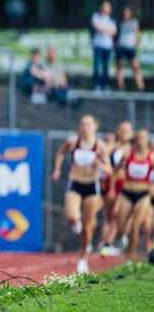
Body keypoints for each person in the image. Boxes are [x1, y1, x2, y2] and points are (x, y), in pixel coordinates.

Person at [52, 114, 111, 273]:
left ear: (95, 126)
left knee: (87, 227)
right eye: (82, 124)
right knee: (72, 216)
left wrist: (99, 164)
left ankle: (83, 259)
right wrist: (57, 170)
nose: (85, 127)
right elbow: (60, 153)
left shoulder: (100, 146)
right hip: (75, 182)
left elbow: (109, 170)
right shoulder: (73, 141)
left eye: (88, 124)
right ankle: (76, 224)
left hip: (91, 186)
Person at [111, 128, 154, 261]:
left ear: (147, 140)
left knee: (135, 226)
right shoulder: (128, 153)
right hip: (127, 193)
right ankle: (122, 237)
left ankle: (129, 257)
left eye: (143, 138)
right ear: (135, 139)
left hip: (143, 195)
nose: (140, 141)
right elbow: (115, 172)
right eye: (138, 138)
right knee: (121, 227)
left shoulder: (151, 157)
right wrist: (113, 189)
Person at [100, 121, 133, 256]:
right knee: (108, 215)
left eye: (126, 131)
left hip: (126, 185)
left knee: (116, 213)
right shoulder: (112, 148)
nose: (123, 133)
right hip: (111, 183)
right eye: (121, 130)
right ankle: (106, 243)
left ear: (131, 133)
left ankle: (119, 237)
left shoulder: (133, 149)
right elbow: (101, 158)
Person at [115, 6, 144, 91]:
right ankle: (121, 87)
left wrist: (136, 45)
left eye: (127, 12)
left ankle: (141, 87)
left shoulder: (134, 22)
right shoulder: (119, 22)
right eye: (124, 12)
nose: (126, 14)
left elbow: (137, 34)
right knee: (119, 67)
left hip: (131, 47)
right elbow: (115, 33)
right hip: (121, 46)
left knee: (136, 67)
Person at [90, 1, 117, 90]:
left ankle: (105, 85)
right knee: (97, 65)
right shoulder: (96, 16)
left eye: (108, 7)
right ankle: (96, 84)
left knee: (106, 66)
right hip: (98, 45)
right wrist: (108, 29)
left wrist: (103, 28)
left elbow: (114, 32)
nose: (107, 8)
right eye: (106, 6)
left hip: (108, 46)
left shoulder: (111, 19)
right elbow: (97, 27)